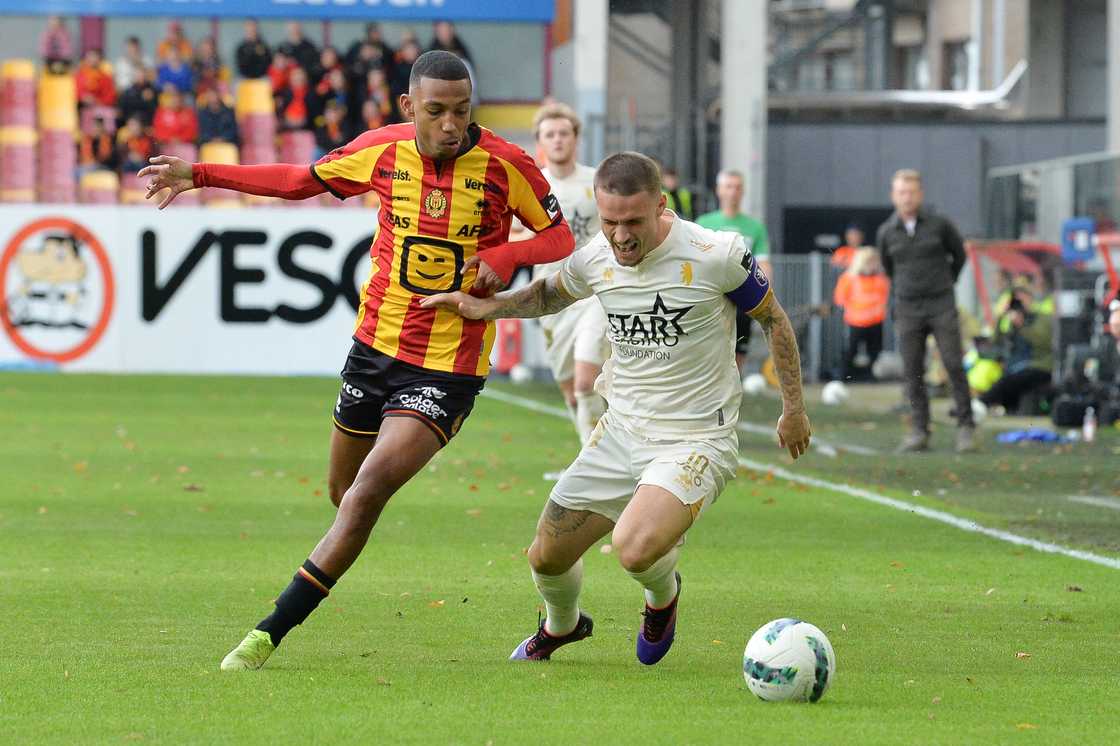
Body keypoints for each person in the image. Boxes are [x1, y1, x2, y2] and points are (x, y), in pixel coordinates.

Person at [138, 51, 576, 671]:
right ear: (408, 107)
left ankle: (267, 634)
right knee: (343, 492)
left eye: (462, 111)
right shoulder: (383, 150)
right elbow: (298, 181)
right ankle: (333, 559)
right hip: (373, 350)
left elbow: (560, 239)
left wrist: (505, 260)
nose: (451, 125)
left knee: (365, 492)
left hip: (448, 366)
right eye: (436, 111)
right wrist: (203, 174)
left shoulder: (507, 165)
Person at [421, 152, 811, 664]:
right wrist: (487, 307)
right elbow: (551, 294)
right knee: (546, 556)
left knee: (633, 548)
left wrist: (794, 410)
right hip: (620, 430)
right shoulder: (597, 257)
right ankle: (563, 626)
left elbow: (774, 320)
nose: (621, 236)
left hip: (696, 438)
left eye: (634, 222)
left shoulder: (716, 253)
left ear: (661, 206)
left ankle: (663, 594)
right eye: (610, 223)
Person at [876, 169, 976, 453]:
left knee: (954, 363)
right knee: (912, 371)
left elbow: (960, 255)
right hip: (908, 306)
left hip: (941, 303)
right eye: (901, 192)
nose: (906, 197)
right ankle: (920, 430)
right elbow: (888, 268)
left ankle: (966, 427)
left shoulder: (940, 224)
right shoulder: (886, 232)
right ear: (893, 196)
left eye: (911, 192)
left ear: (920, 195)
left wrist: (947, 282)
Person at [525, 102, 608, 445]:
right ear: (540, 142)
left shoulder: (598, 181)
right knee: (573, 393)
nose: (558, 140)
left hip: (593, 293)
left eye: (564, 133)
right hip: (552, 296)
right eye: (550, 135)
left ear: (576, 138)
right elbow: (513, 234)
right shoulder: (531, 186)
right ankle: (595, 452)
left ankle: (598, 464)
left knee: (586, 381)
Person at [696, 169, 771, 373]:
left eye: (737, 187)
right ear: (719, 190)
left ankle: (734, 391)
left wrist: (764, 297)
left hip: (741, 299)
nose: (733, 192)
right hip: (712, 297)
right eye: (728, 186)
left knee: (739, 350)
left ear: (743, 191)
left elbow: (763, 264)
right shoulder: (704, 223)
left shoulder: (755, 227)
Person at [977, 295, 1053, 415]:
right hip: (1017, 365)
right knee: (1009, 379)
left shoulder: (1042, 319)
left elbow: (1043, 341)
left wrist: (1022, 325)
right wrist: (1001, 317)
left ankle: (980, 404)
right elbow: (997, 341)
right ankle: (993, 407)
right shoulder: (1011, 320)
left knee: (1010, 380)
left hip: (1039, 365)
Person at [832, 248, 890, 381]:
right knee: (851, 351)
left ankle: (870, 377)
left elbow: (884, 297)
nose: (873, 265)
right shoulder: (849, 278)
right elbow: (839, 298)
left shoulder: (881, 278)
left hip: (876, 321)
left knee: (874, 352)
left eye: (875, 261)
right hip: (856, 321)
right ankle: (844, 376)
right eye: (870, 261)